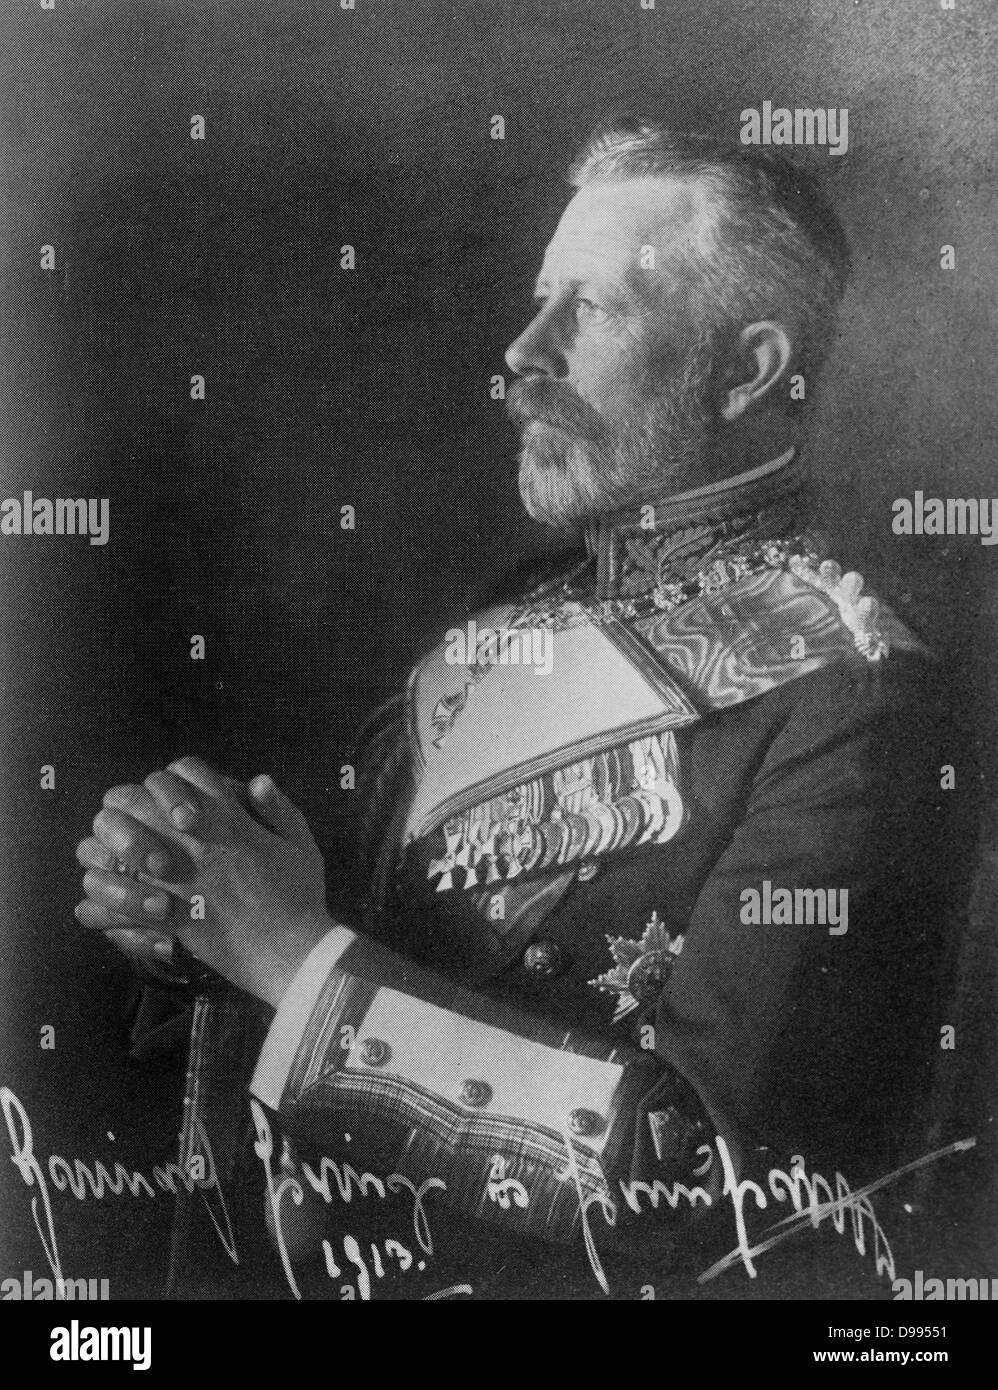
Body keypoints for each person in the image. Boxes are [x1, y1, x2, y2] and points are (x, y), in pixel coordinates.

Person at [74, 118, 954, 1300]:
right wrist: (195, 902)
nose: (521, 350)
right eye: (540, 301)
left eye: (589, 310)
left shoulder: (855, 696)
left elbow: (721, 1189)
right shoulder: (505, 618)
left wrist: (285, 952)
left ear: (745, 370)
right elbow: (357, 931)